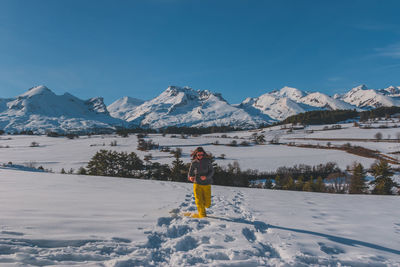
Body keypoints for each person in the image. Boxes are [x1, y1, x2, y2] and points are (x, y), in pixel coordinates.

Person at [188, 147, 214, 218]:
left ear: (204, 154)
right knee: (199, 201)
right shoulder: (194, 162)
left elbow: (212, 171)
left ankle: (205, 208)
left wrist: (206, 177)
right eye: (198, 155)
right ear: (196, 155)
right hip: (197, 184)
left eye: (202, 155)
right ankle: (203, 216)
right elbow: (190, 173)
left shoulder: (207, 161)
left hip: (207, 184)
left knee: (207, 204)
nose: (200, 156)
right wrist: (190, 177)